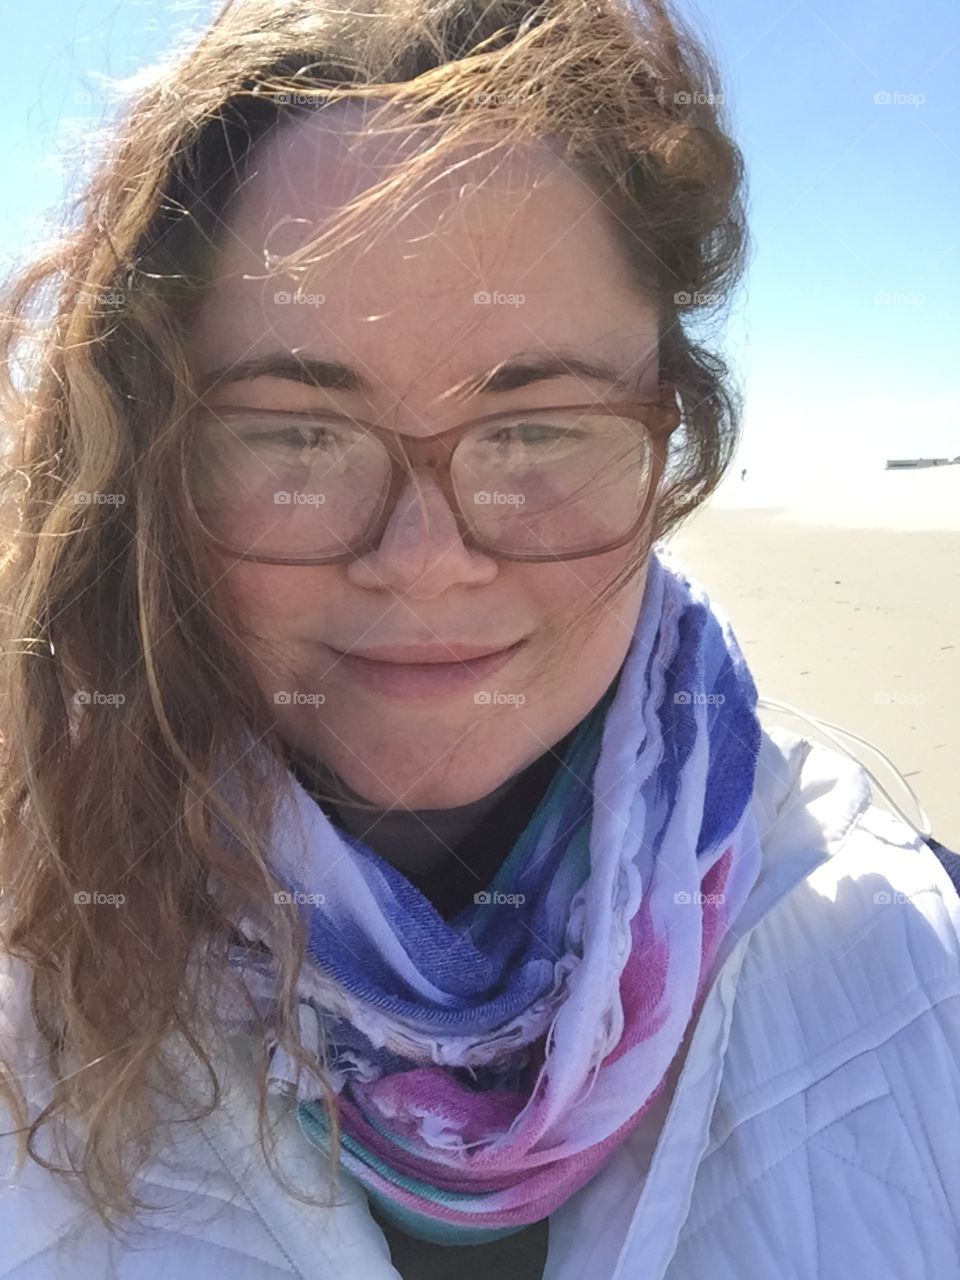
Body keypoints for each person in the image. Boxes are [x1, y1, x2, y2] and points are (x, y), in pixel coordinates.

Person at [1, 1, 959, 1277]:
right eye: (296, 430)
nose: (424, 557)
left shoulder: (915, 961)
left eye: (538, 425)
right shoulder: (35, 964)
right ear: (154, 464)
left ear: (668, 440)